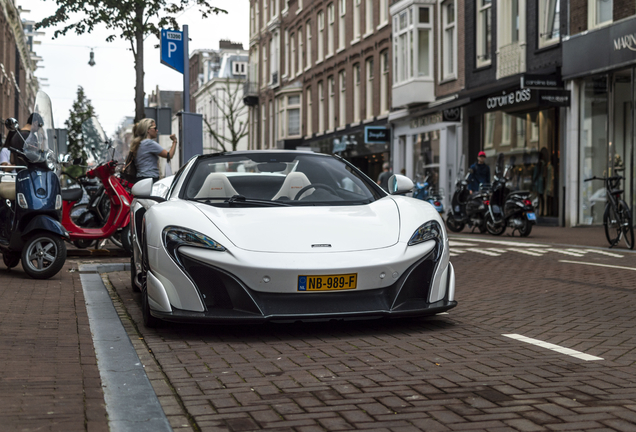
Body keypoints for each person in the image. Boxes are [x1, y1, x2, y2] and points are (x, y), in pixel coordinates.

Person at [130, 118, 177, 182]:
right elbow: (169, 155)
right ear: (148, 130)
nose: (157, 130)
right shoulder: (149, 143)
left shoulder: (140, 143)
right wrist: (174, 141)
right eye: (155, 128)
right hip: (150, 178)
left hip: (141, 179)